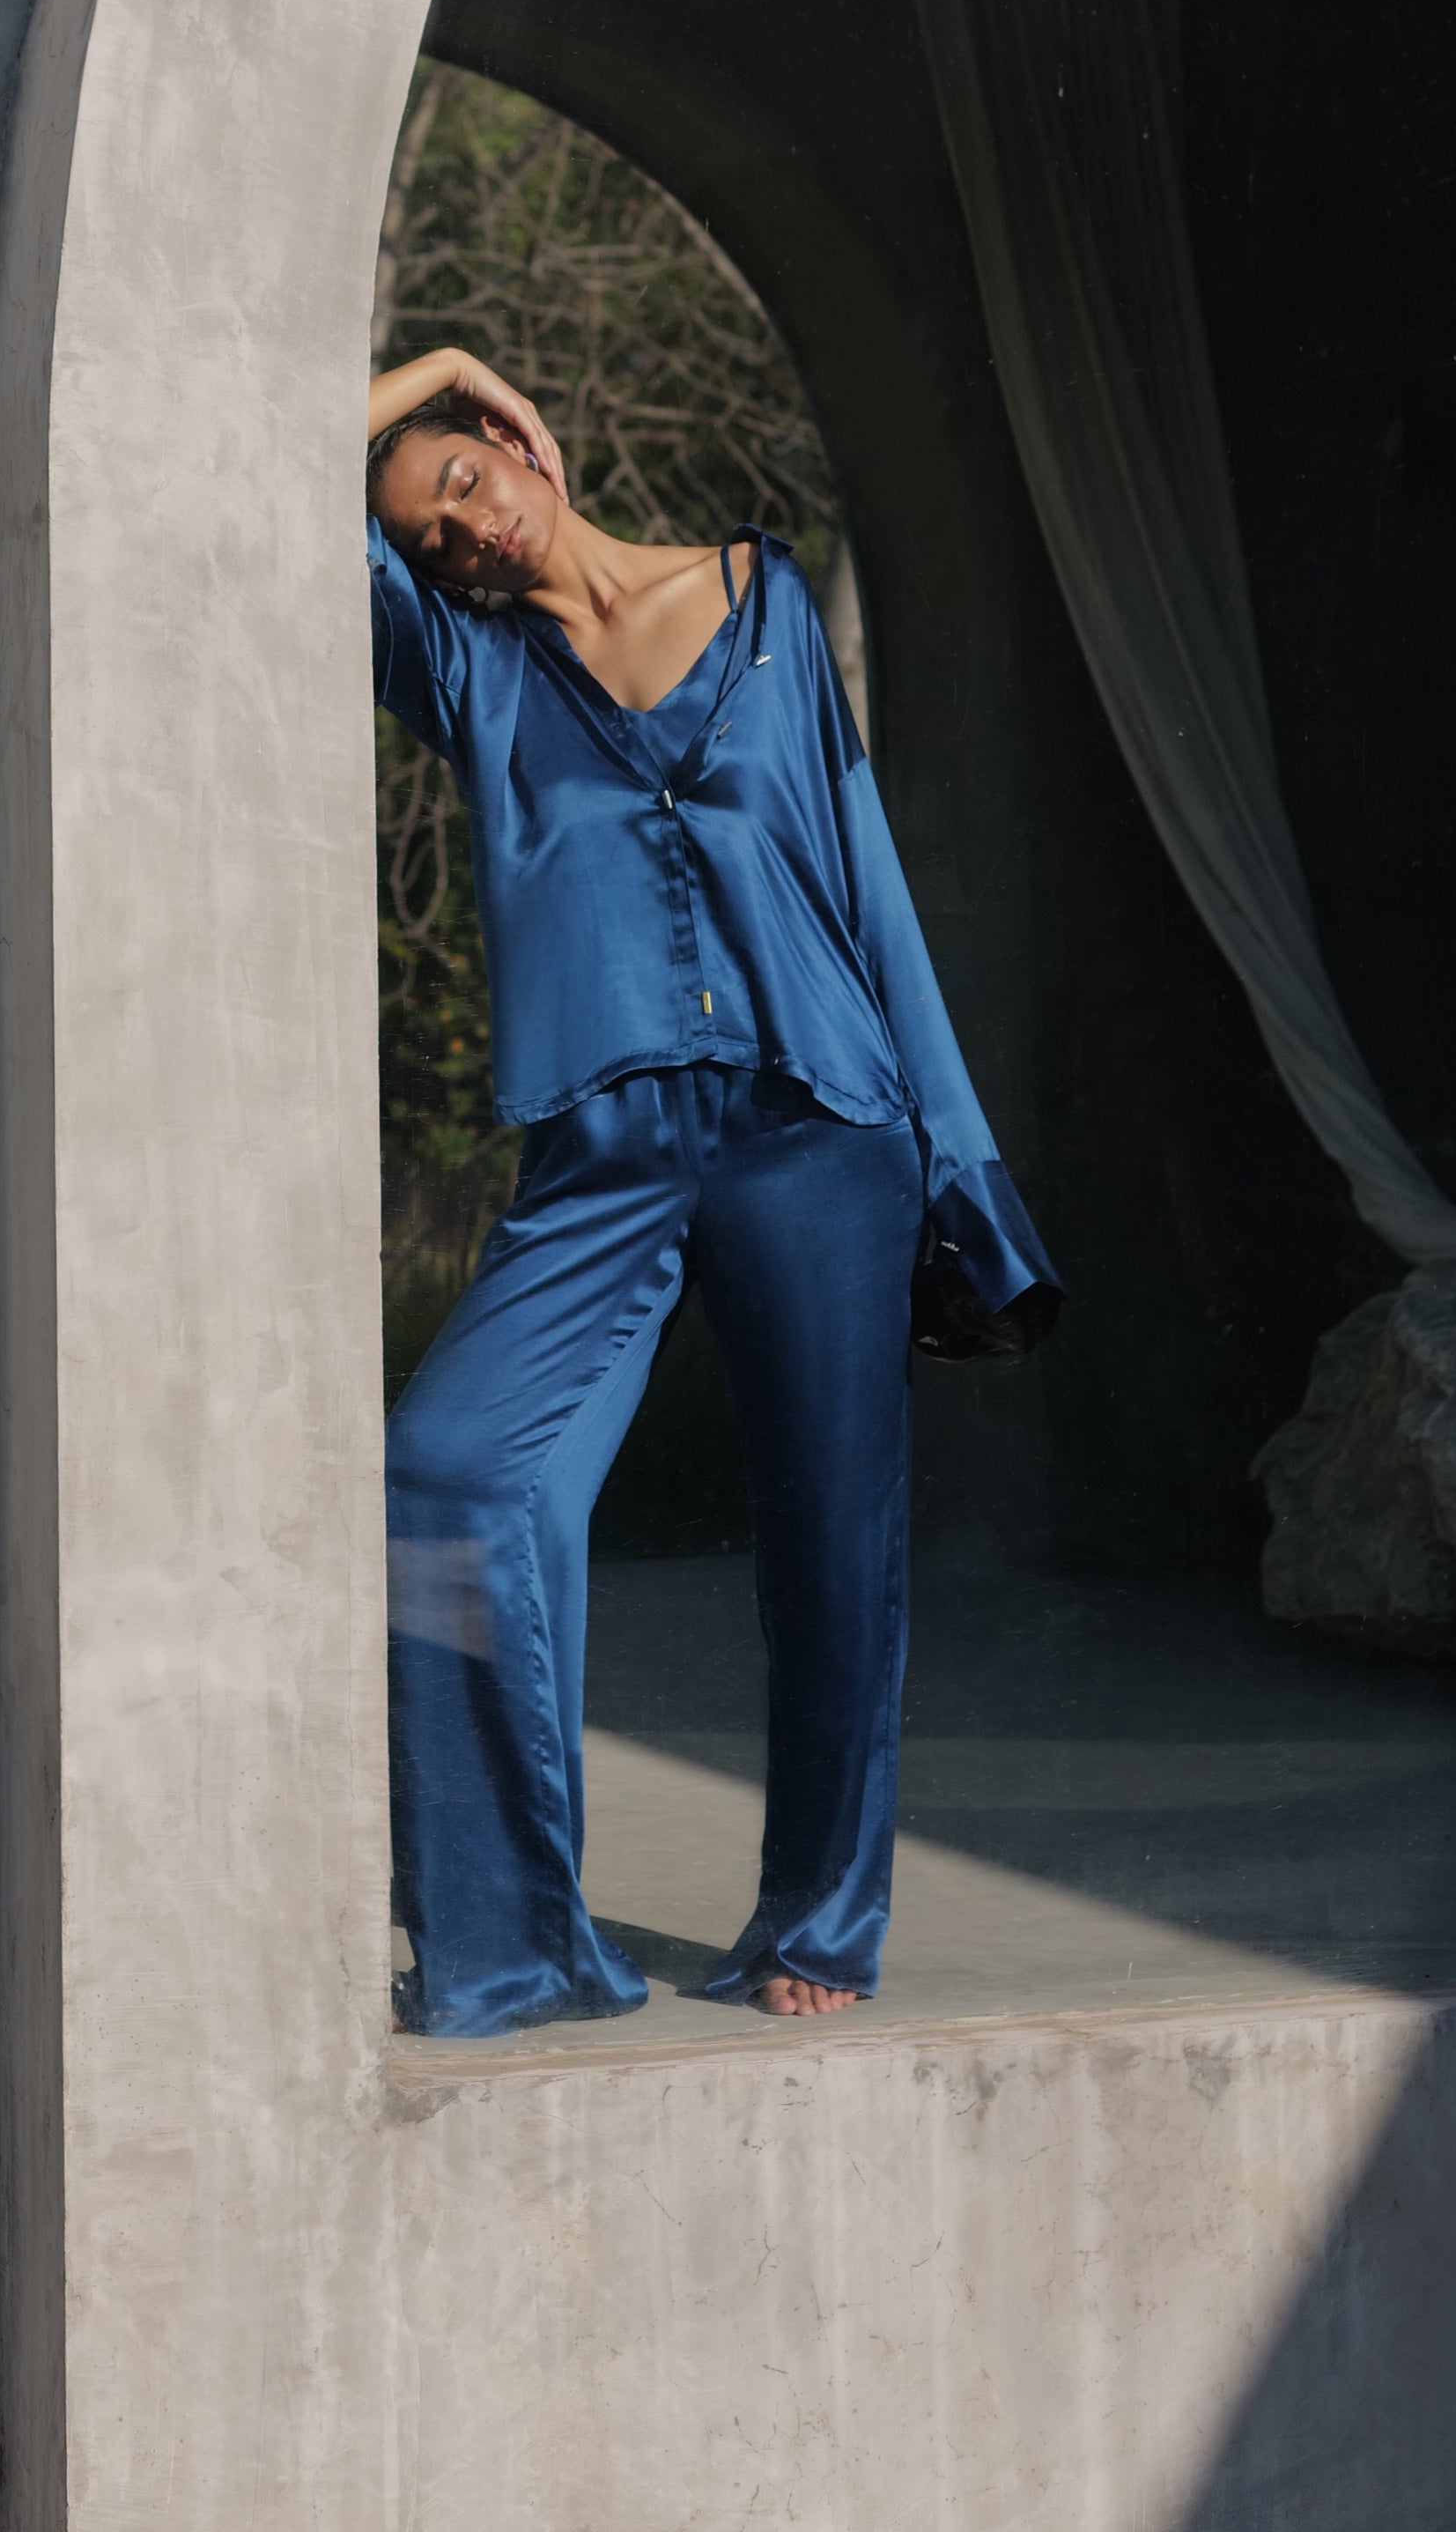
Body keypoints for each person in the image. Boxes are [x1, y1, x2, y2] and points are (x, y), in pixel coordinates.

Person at [367, 343, 1058, 2035]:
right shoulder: (466, 670)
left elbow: (865, 880)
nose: (467, 531)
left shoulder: (763, 606)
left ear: (522, 447)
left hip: (817, 1126)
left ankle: (820, 1917)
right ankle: (519, 1939)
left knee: (834, 1539)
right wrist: (434, 366)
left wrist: (954, 1155)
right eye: (432, 534)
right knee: (441, 1476)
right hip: (604, 1154)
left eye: (465, 478)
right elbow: (234, 468)